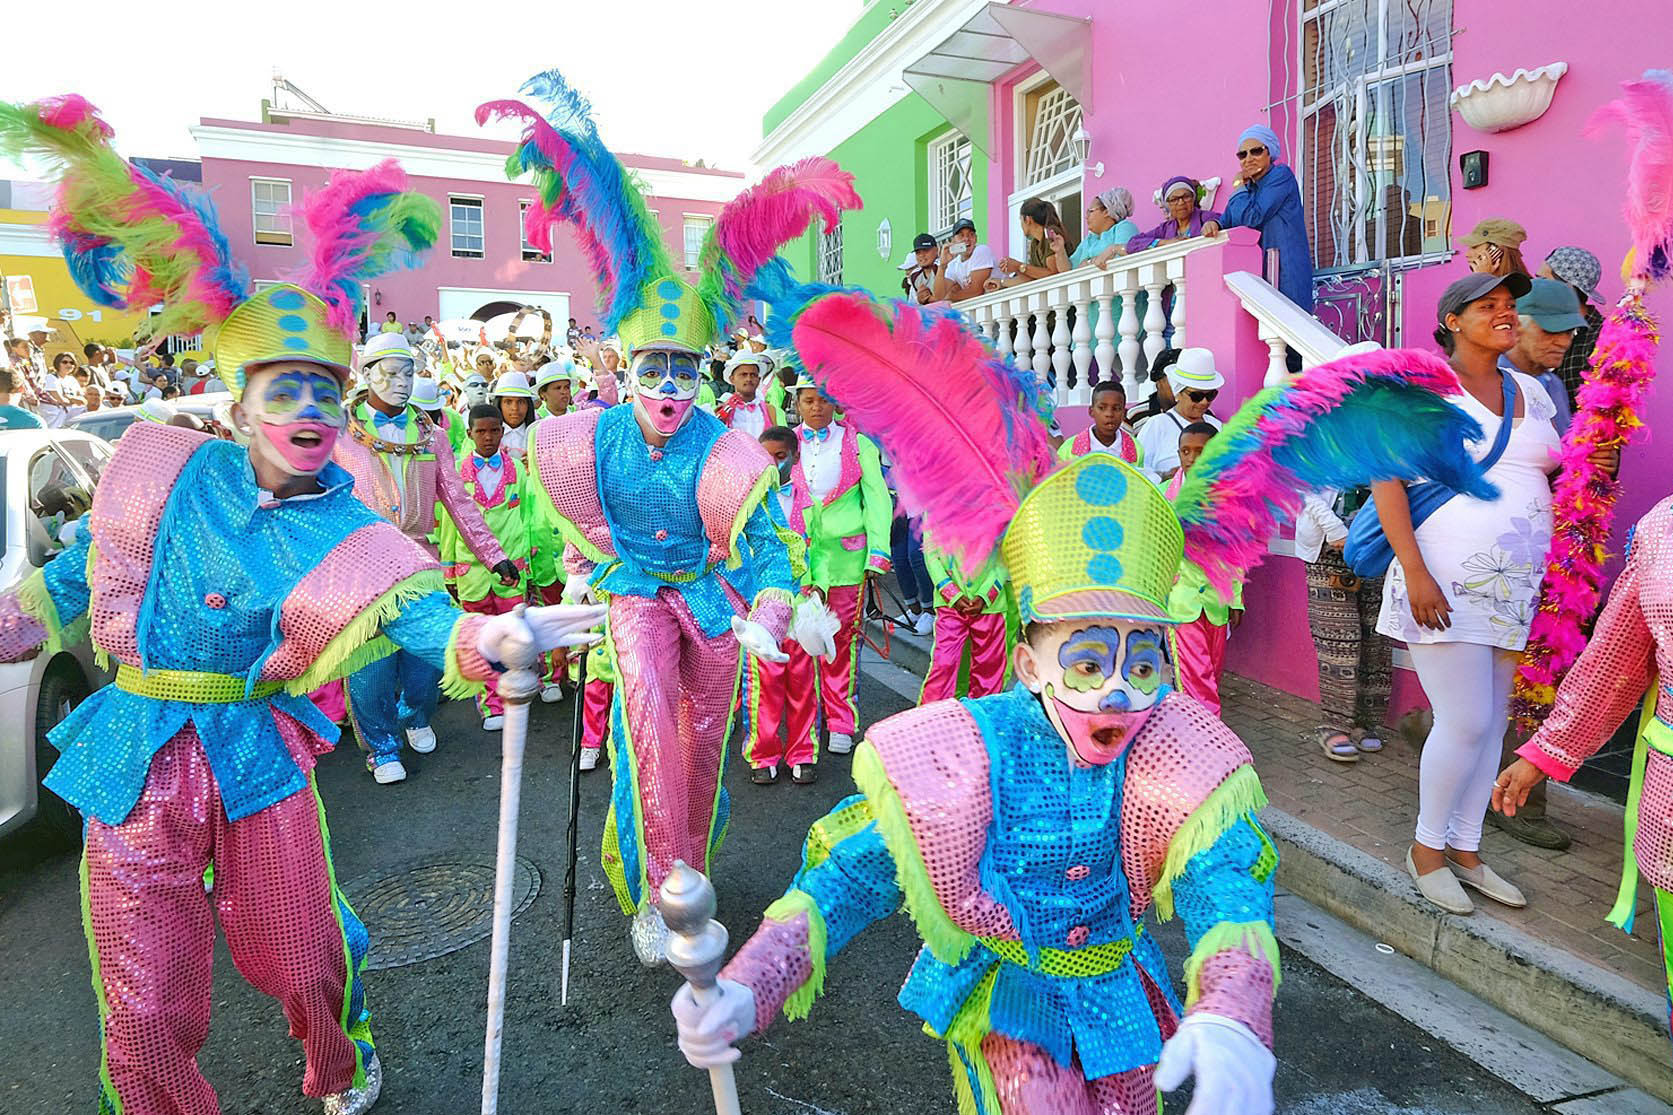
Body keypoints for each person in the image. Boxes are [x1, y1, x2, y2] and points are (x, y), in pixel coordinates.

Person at [0, 97, 606, 1115]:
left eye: (325, 390)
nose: (310, 410)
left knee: (305, 958)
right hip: (135, 750)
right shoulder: (157, 470)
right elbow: (62, 587)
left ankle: (337, 1057)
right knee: (143, 1003)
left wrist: (489, 634)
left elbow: (420, 613)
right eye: (283, 390)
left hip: (250, 751)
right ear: (238, 403)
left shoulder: (345, 522)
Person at [674, 456, 1279, 1115]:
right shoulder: (971, 749)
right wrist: (750, 985)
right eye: (1085, 662)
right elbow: (853, 874)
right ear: (1027, 662)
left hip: (1118, 994)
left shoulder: (1165, 741)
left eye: (1140, 663)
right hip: (1011, 1004)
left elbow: (1227, 881)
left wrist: (1231, 1010)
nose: (1117, 690)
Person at [487, 75, 844, 958]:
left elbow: (764, 550)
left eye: (685, 371)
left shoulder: (725, 448)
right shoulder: (591, 439)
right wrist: (579, 569)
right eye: (654, 369)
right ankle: (662, 892)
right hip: (636, 597)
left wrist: (768, 611)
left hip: (712, 606)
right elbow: (581, 520)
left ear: (704, 375)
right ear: (627, 364)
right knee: (646, 717)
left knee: (700, 746)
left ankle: (691, 858)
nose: (669, 389)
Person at [1371, 271, 1574, 916]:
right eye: (1489, 307)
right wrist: (1415, 569)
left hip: (1514, 587)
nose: (1506, 315)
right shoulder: (1423, 387)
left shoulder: (1531, 391)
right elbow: (1388, 479)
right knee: (1465, 719)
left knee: (1492, 727)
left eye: (1511, 306)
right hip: (1444, 579)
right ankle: (1427, 850)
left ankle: (1466, 849)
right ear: (1454, 320)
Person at [335, 332, 520, 785]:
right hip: (362, 567)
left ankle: (416, 716)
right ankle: (380, 748)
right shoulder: (340, 432)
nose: (400, 382)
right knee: (370, 666)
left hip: (419, 562)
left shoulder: (432, 436)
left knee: (426, 659)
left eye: (408, 373)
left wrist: (493, 556)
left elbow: (458, 502)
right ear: (367, 374)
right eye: (389, 373)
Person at [787, 377, 893, 755]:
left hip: (847, 558)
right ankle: (802, 726)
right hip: (799, 559)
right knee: (799, 643)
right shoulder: (788, 445)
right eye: (809, 401)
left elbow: (878, 499)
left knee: (841, 642)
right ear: (797, 403)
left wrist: (878, 552)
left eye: (824, 401)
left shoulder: (858, 444)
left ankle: (841, 722)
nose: (817, 407)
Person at [440, 404, 544, 731]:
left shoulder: (517, 469)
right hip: (471, 574)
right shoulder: (455, 472)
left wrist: (532, 563)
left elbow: (530, 517)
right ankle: (490, 702)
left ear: (503, 431)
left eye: (494, 430)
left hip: (511, 570)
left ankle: (516, 690)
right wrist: (448, 570)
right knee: (482, 638)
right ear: (469, 433)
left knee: (513, 635)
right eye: (481, 431)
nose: (488, 437)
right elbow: (448, 525)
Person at [743, 426, 820, 786]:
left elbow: (819, 549)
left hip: (802, 605)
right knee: (764, 683)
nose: (772, 465)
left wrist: (818, 584)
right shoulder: (746, 504)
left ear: (795, 457)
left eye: (780, 457)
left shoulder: (809, 502)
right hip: (763, 608)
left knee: (803, 682)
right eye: (764, 457)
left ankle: (803, 751)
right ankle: (763, 751)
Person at [1298, 485, 1390, 762]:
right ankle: (1334, 726)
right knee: (1339, 643)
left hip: (1376, 544)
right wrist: (1336, 530)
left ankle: (1366, 723)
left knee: (1375, 639)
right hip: (1328, 547)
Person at [1167, 423, 1243, 715]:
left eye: (1202, 451)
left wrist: (1236, 599)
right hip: (1181, 602)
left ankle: (1193, 732)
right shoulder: (1164, 496)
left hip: (1216, 602)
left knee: (1211, 672)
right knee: (1194, 678)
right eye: (1186, 451)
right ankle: (1209, 740)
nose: (1192, 458)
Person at [1202, 125, 1314, 312]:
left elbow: (1251, 218)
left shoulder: (1281, 176)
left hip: (1285, 269)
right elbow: (1229, 219)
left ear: (1270, 153)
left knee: (1289, 327)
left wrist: (1237, 184)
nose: (1248, 159)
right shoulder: (1248, 189)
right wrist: (1215, 223)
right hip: (1259, 273)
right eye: (1242, 155)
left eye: (1256, 151)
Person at [918, 540, 1008, 702]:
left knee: (988, 670)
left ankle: (982, 721)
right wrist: (951, 593)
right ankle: (931, 720)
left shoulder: (1000, 513)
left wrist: (986, 595)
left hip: (990, 608)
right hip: (949, 605)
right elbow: (931, 555)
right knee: (944, 664)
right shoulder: (934, 513)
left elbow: (1005, 555)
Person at [1504, 278, 1586, 435]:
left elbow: (1562, 449)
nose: (1564, 342)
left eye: (1569, 332)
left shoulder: (1554, 385)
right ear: (1516, 325)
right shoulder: (1490, 381)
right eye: (1551, 330)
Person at [1134, 347, 1224, 479]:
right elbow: (1137, 471)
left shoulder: (1216, 425)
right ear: (1178, 393)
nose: (1204, 402)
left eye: (1210, 395)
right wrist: (1165, 476)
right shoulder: (1157, 425)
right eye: (1196, 396)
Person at [1539, 246, 1608, 408]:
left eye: (1543, 280)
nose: (1535, 287)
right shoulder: (1538, 326)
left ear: (1567, 287)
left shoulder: (1603, 338)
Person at [992, 196, 1078, 286]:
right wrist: (1003, 281)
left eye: (1021, 220)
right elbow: (1033, 276)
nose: (1021, 225)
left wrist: (1018, 265)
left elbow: (1053, 273)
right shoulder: (1035, 243)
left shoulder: (1050, 234)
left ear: (1028, 220)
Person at [1126, 176, 1221, 253]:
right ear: (1168, 205)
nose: (1181, 202)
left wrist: (1213, 223)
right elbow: (1132, 244)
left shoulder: (1204, 217)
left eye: (1186, 197)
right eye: (1174, 199)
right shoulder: (1165, 228)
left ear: (1193, 198)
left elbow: (1222, 220)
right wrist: (1165, 242)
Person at [1059, 379, 1143, 466]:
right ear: (1091, 411)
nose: (1109, 414)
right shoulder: (1068, 449)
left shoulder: (1136, 449)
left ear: (1124, 414)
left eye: (1116, 408)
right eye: (1102, 408)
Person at [714, 348, 783, 437]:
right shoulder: (723, 412)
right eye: (743, 375)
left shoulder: (770, 411)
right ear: (732, 379)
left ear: (758, 379)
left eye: (753, 375)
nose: (749, 379)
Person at [931, 217, 995, 303]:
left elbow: (976, 291)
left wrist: (951, 296)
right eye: (961, 235)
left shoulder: (981, 250)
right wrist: (942, 266)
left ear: (976, 238)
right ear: (953, 240)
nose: (966, 239)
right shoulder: (953, 264)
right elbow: (938, 296)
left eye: (971, 234)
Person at [1075, 186, 1141, 269]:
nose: (1086, 216)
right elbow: (1069, 268)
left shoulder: (1124, 227)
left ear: (1106, 212)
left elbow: (1123, 260)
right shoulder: (1090, 239)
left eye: (1090, 211)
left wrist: (1090, 262)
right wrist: (1060, 251)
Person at [1459, 218, 1533, 280]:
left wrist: (1482, 278)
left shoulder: (1523, 289)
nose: (1467, 254)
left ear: (1495, 250)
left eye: (1474, 247)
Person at [492, 370, 536, 459]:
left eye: (520, 402)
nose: (515, 408)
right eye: (508, 402)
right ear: (499, 404)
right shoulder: (489, 435)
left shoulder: (537, 433)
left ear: (528, 405)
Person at [39, 350, 78, 426]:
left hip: (69, 416)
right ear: (58, 363)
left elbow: (83, 399)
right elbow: (61, 400)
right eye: (65, 362)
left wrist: (70, 398)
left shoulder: (72, 380)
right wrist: (75, 400)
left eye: (72, 362)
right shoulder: (51, 378)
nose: (69, 364)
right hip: (54, 418)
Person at [899, 231, 939, 304]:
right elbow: (912, 306)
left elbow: (949, 297)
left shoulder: (943, 268)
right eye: (918, 252)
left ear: (936, 250)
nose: (922, 255)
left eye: (926, 250)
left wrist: (928, 299)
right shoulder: (915, 277)